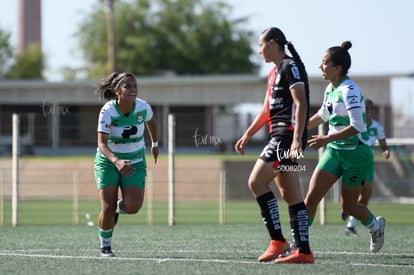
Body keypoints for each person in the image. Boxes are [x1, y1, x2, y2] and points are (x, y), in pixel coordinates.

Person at [234, 27, 313, 264]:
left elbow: (301, 104)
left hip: (286, 138)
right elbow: (267, 110)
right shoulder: (273, 73)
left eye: (261, 45)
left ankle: (278, 241)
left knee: (256, 181)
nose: (259, 50)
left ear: (273, 43)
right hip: (276, 136)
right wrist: (247, 134)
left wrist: (298, 139)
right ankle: (304, 251)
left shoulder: (290, 67)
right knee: (292, 197)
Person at [305, 41, 385, 253]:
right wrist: (298, 128)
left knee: (348, 207)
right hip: (334, 152)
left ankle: (375, 226)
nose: (320, 67)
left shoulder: (349, 90)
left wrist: (326, 140)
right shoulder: (330, 89)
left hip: (356, 155)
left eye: (324, 63)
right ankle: (300, 245)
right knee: (310, 200)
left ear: (337, 68)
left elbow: (358, 126)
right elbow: (323, 115)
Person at [93, 72, 159, 257]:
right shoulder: (108, 111)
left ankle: (116, 209)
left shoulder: (143, 107)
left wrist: (154, 144)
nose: (133, 89)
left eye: (135, 86)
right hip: (108, 162)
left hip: (136, 160)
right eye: (127, 86)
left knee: (133, 207)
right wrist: (116, 161)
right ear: (117, 91)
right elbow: (102, 144)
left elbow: (152, 122)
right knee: (107, 206)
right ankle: (105, 246)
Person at [343, 99, 390, 236]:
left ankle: (350, 226)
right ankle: (347, 208)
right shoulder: (355, 124)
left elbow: (383, 145)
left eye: (371, 108)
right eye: (366, 107)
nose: (369, 110)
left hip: (367, 164)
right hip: (352, 162)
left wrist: (385, 150)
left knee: (364, 197)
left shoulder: (378, 127)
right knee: (349, 199)